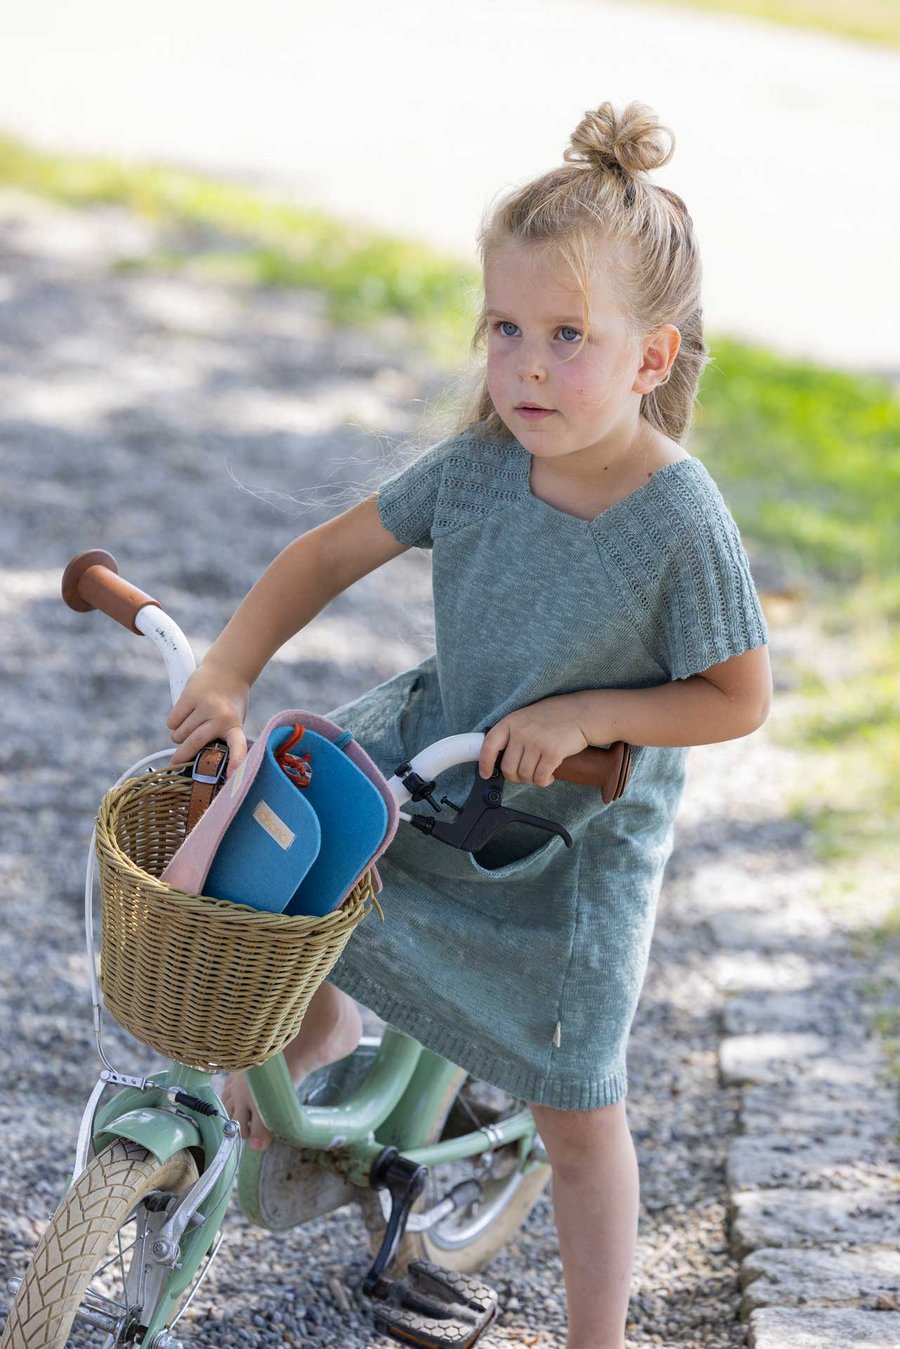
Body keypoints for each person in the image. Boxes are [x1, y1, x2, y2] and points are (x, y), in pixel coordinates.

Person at [168, 100, 772, 1349]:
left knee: (575, 1099)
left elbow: (737, 696)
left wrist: (587, 709)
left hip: (574, 830)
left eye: (568, 335)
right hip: (443, 756)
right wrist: (228, 667)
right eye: (506, 328)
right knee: (278, 861)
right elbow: (326, 554)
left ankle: (597, 1334)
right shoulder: (479, 466)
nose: (528, 366)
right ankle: (321, 1036)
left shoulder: (678, 515)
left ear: (652, 358)